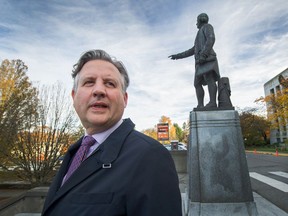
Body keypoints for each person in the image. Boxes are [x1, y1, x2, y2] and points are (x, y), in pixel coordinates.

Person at [42, 49, 182, 216]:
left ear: (125, 99)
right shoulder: (75, 152)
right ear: (74, 97)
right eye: (89, 82)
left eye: (109, 83)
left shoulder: (150, 156)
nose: (99, 90)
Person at [169, 13, 220, 108]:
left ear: (201, 20)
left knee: (210, 80)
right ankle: (200, 105)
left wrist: (204, 54)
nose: (196, 23)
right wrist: (177, 56)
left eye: (197, 21)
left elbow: (211, 39)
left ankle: (212, 103)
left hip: (207, 59)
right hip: (200, 62)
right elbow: (191, 50)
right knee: (197, 84)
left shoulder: (207, 26)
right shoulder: (199, 34)